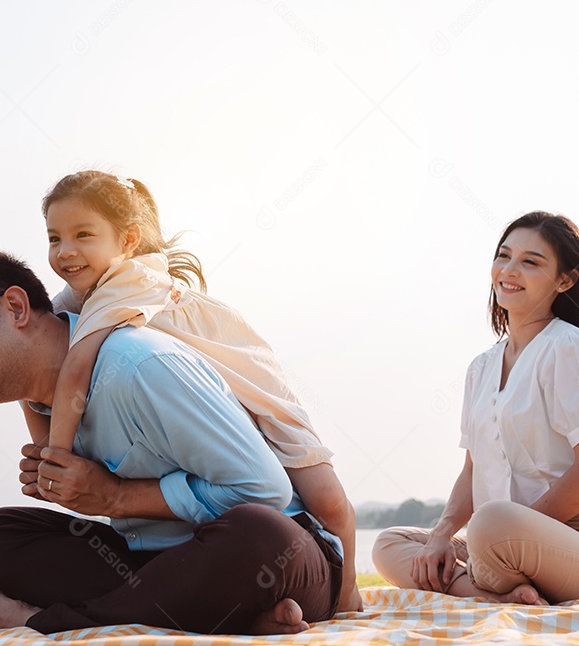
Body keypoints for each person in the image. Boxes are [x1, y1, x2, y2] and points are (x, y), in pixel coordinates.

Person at [0, 251, 342, 634]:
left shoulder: (138, 365)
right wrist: (72, 489)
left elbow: (264, 493)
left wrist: (115, 497)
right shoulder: (40, 404)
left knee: (257, 533)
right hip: (156, 565)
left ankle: (38, 620)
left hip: (283, 558)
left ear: (14, 307)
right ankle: (223, 616)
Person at [38, 170, 362, 613]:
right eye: (55, 238)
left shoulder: (123, 284)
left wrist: (57, 456)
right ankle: (254, 608)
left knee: (327, 498)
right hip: (210, 395)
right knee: (239, 493)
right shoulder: (77, 298)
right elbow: (39, 357)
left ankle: (346, 598)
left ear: (128, 241)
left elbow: (74, 366)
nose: (66, 251)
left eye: (83, 235)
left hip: (248, 380)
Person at [372, 211, 579, 605]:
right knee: (390, 543)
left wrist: (515, 532)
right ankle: (505, 595)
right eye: (503, 256)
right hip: (509, 539)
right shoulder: (482, 367)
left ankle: (486, 582)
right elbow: (472, 470)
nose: (509, 269)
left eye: (531, 262)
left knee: (490, 524)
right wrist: (439, 536)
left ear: (566, 280)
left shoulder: (570, 347)